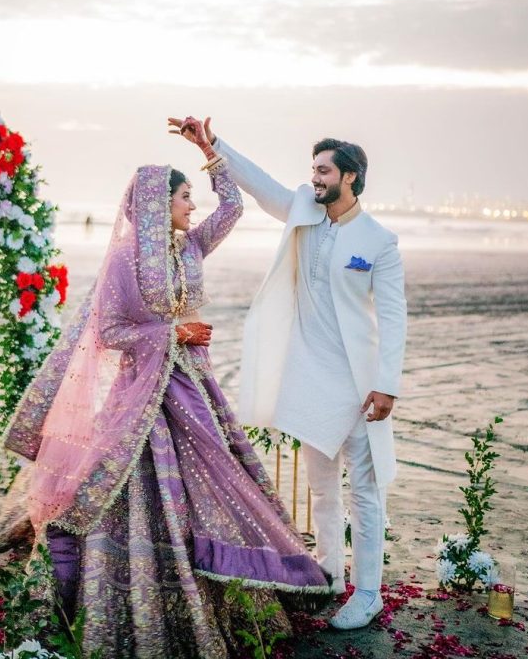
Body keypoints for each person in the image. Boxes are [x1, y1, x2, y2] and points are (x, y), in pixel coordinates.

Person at [3, 123, 331, 659]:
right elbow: (110, 333)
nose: (192, 208)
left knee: (219, 471)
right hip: (144, 394)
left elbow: (233, 209)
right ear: (159, 203)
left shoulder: (192, 246)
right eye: (185, 198)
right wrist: (171, 332)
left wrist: (209, 153)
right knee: (133, 489)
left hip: (193, 383)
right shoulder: (124, 263)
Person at [168, 116, 407, 631]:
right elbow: (258, 183)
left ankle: (367, 594)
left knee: (366, 490)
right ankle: (328, 572)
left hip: (361, 383)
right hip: (310, 375)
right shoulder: (302, 208)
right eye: (313, 170)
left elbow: (393, 318)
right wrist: (211, 144)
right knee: (323, 486)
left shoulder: (379, 241)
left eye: (324, 171)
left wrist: (388, 383)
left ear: (351, 178)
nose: (315, 178)